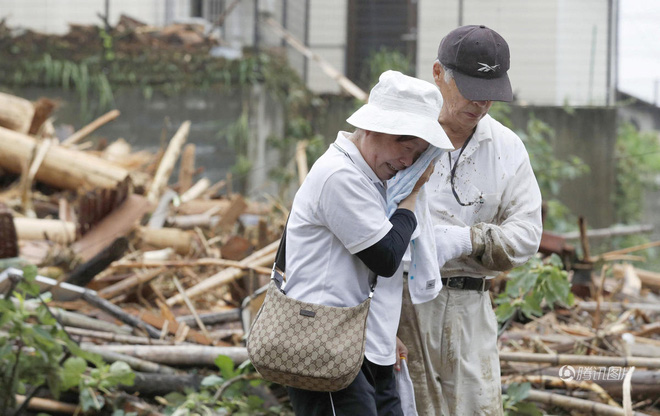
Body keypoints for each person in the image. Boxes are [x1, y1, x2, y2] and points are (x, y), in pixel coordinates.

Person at [283, 70, 453, 416]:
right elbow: (386, 256)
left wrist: (382, 331)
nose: (407, 163)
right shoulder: (340, 176)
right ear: (375, 129)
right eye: (405, 149)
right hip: (323, 345)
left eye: (418, 155)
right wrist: (413, 193)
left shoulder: (367, 177)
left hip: (358, 343)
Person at [397, 25, 543, 415]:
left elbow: (528, 233)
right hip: (402, 302)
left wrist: (469, 240)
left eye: (490, 93)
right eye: (469, 89)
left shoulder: (506, 147)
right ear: (438, 73)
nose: (480, 102)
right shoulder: (401, 134)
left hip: (470, 304)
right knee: (411, 406)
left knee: (478, 408)